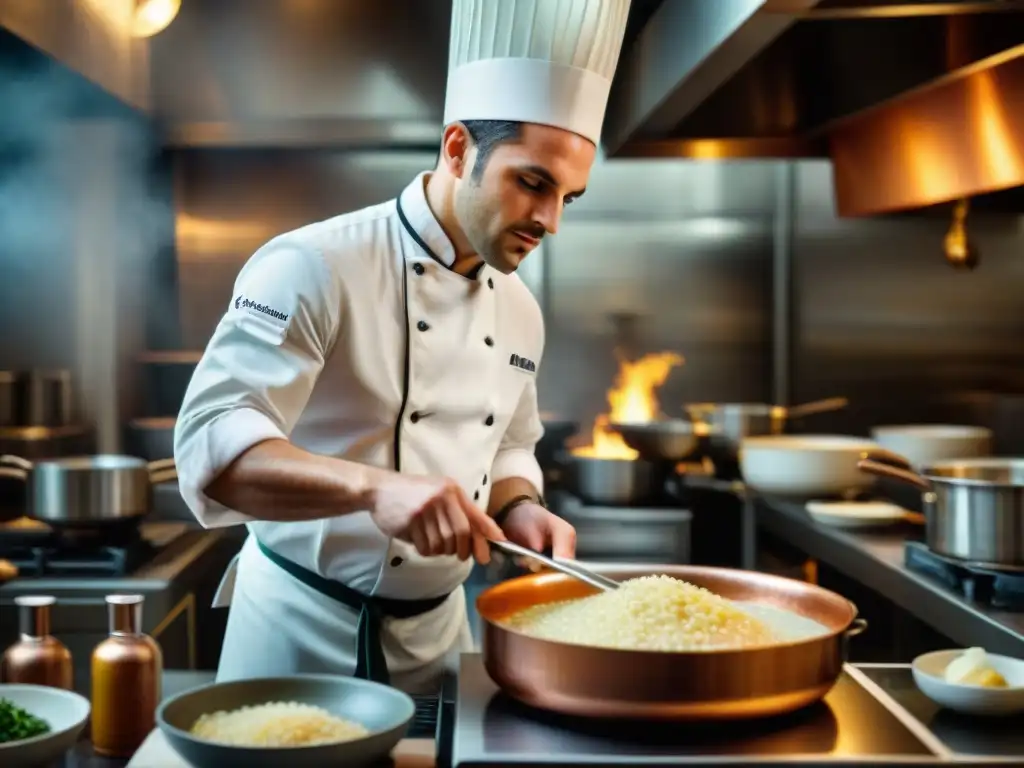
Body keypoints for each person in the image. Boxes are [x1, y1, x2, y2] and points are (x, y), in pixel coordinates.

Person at [173, 0, 633, 693]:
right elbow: (209, 447)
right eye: (532, 183)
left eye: (569, 196)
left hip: (441, 643)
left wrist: (520, 509)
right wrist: (373, 489)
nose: (550, 221)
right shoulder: (315, 265)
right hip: (301, 635)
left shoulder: (520, 311)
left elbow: (509, 445)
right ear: (457, 149)